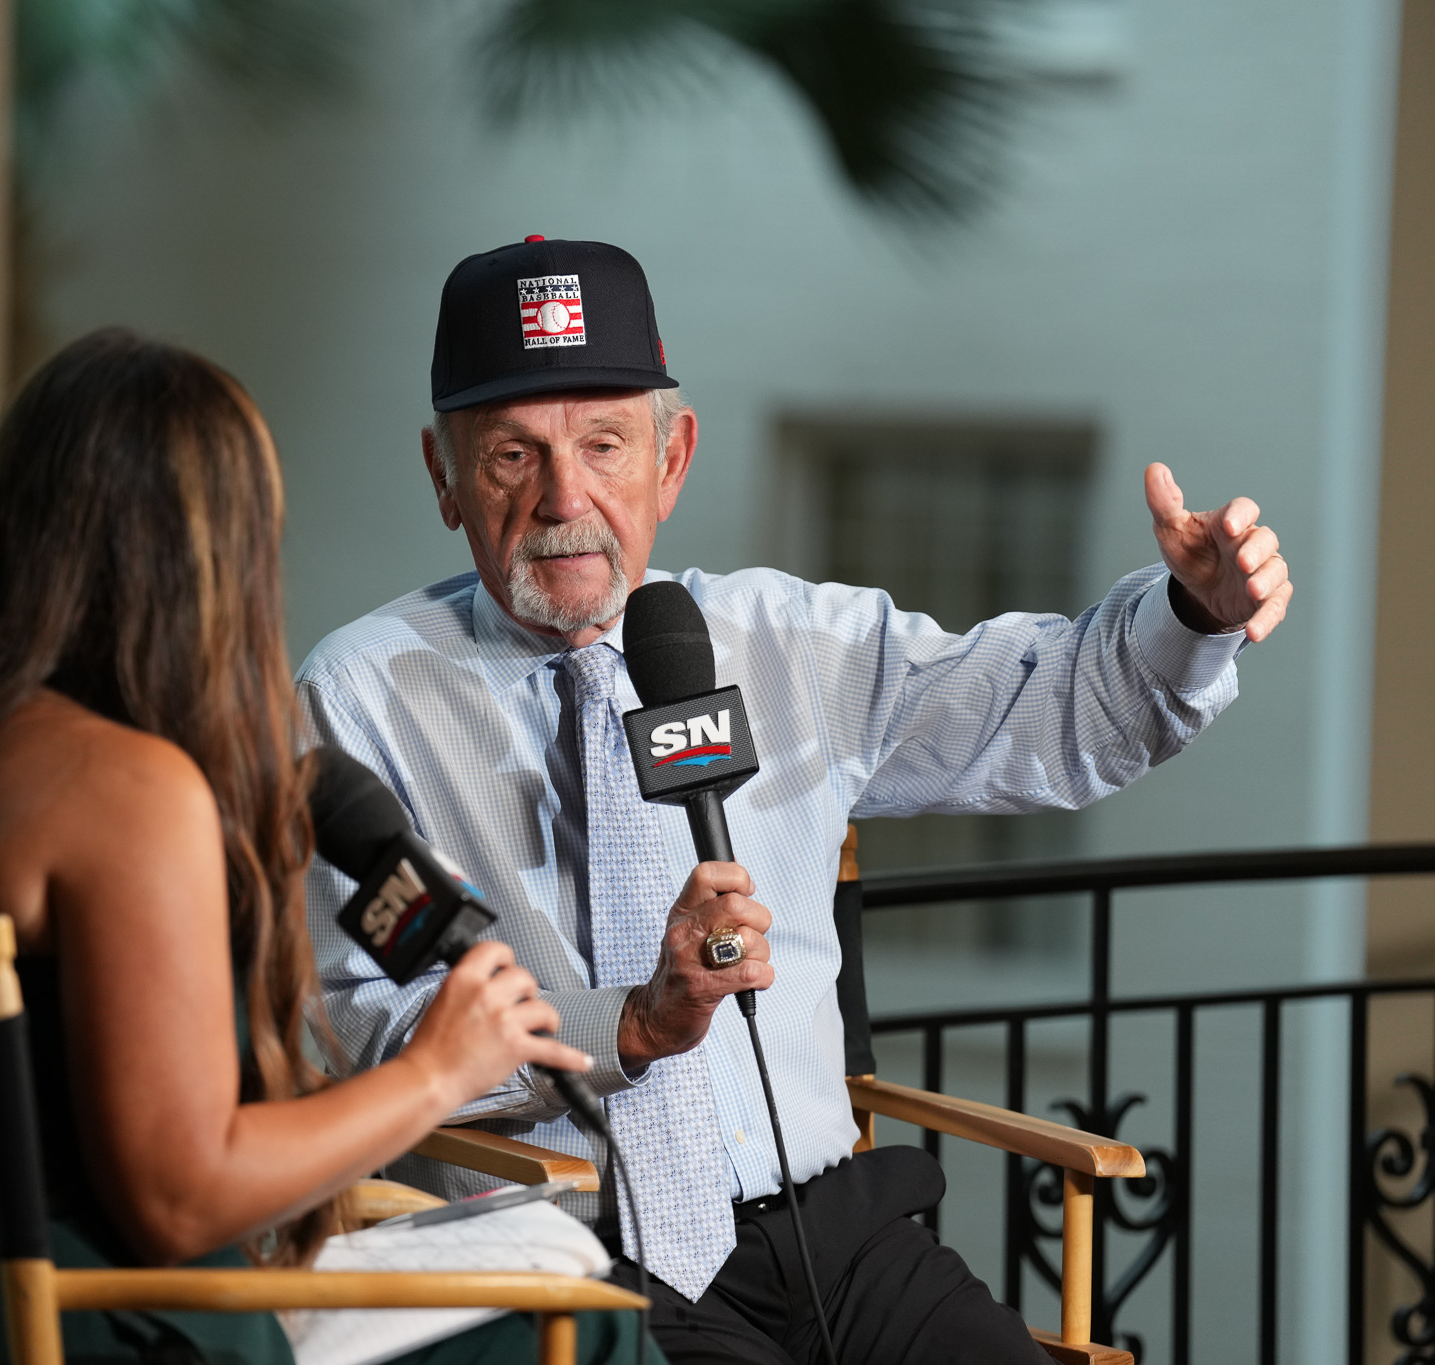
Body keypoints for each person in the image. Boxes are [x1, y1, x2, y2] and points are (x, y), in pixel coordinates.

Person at [297, 238, 1293, 1364]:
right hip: (571, 1261)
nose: (562, 498)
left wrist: (1190, 615)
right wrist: (623, 1024)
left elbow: (1049, 715)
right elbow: (353, 1033)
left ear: (671, 461)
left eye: (603, 444)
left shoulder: (784, 641)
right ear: (442, 476)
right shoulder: (359, 698)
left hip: (838, 1234)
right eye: (511, 456)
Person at [0, 329, 661, 1365]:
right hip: (97, 1327)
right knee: (598, 1335)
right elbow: (181, 1198)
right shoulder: (124, 792)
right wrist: (439, 1071)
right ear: (206, 559)